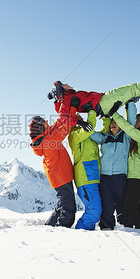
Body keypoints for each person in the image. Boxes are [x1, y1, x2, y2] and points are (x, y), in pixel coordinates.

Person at [30, 93, 90, 228]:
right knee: (68, 209)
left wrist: (69, 106)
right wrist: (73, 107)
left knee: (61, 206)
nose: (47, 121)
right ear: (41, 128)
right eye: (44, 122)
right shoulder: (49, 140)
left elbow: (60, 122)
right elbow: (65, 125)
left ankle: (49, 227)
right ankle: (62, 229)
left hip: (59, 177)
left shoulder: (46, 136)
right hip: (61, 177)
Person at [48, 61, 140, 118]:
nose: (67, 84)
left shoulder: (70, 97)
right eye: (64, 85)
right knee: (133, 88)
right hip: (103, 102)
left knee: (136, 93)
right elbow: (64, 118)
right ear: (61, 91)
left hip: (103, 104)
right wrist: (80, 123)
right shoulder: (66, 99)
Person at [89, 101, 136, 230]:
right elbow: (91, 134)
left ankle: (126, 226)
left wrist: (130, 103)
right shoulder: (105, 138)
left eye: (116, 122)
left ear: (121, 126)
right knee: (107, 204)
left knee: (122, 204)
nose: (113, 124)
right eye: (112, 122)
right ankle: (106, 227)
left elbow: (131, 122)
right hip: (105, 177)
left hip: (120, 176)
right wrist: (84, 124)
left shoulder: (126, 137)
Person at [110, 110, 140, 231]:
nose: (135, 122)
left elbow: (128, 128)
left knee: (128, 208)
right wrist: (128, 107)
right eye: (134, 119)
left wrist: (113, 113)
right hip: (133, 177)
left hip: (138, 178)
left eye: (138, 120)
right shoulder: (133, 139)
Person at [67, 110, 102, 230]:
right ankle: (79, 232)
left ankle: (89, 238)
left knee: (93, 211)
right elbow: (89, 129)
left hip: (93, 177)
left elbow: (102, 135)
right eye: (76, 119)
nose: (80, 119)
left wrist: (106, 118)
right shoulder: (74, 135)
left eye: (80, 117)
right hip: (85, 179)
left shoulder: (87, 135)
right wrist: (92, 112)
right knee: (95, 212)